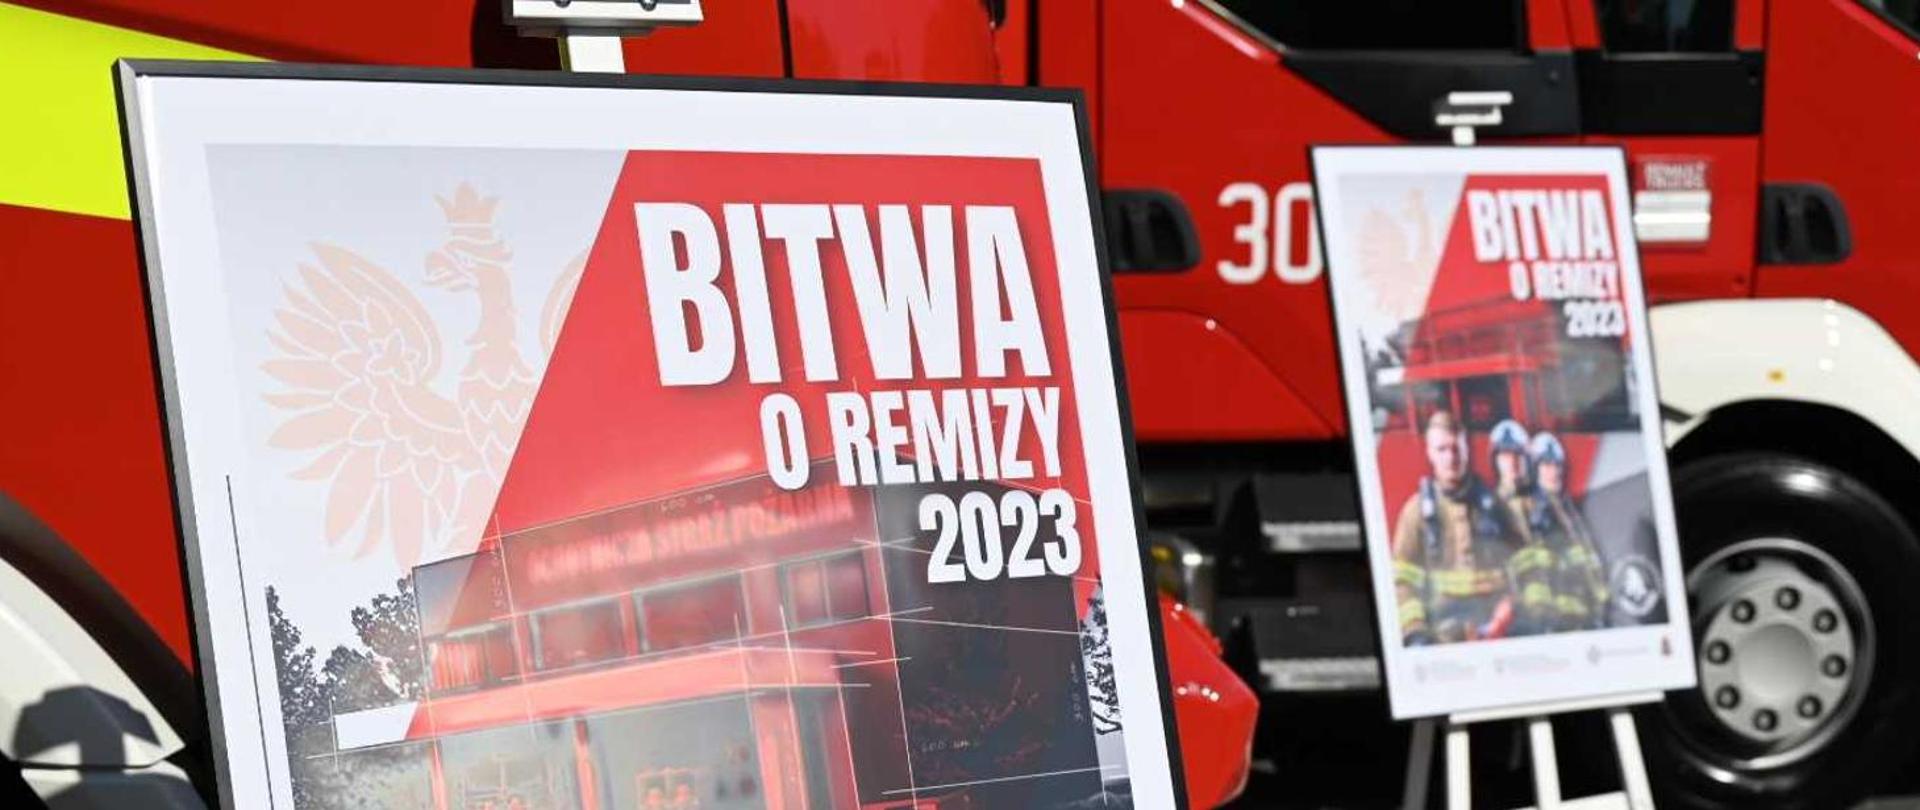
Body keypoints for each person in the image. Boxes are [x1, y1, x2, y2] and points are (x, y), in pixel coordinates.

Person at [1391, 410, 1524, 645]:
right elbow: (1402, 581)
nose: (1450, 458)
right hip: (1442, 637)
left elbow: (1525, 566)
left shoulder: (1497, 507)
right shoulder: (1415, 512)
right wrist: (1416, 631)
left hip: (1499, 633)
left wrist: (1510, 609)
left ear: (1466, 450)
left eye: (1456, 448)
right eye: (1442, 449)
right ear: (1429, 453)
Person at [1522, 432, 1609, 631]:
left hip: (1587, 616)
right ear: (1533, 469)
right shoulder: (1531, 511)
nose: (1554, 471)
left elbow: (1588, 556)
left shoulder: (1568, 507)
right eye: (1546, 465)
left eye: (1557, 465)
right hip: (1557, 622)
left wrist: (1601, 604)